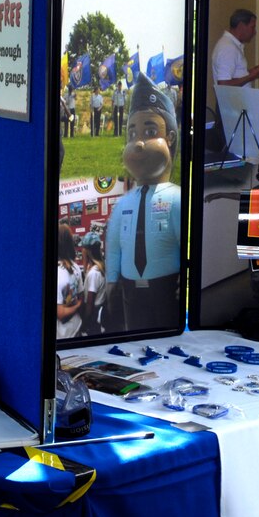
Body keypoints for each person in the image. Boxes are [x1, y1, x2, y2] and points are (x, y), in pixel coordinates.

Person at [105, 73, 181, 332]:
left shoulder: (175, 198)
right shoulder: (124, 203)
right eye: (132, 133)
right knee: (134, 336)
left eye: (150, 131)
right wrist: (111, 279)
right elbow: (115, 245)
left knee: (165, 336)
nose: (138, 142)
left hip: (165, 288)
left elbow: (184, 241)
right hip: (130, 291)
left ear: (170, 138)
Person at [212, 8, 259, 86]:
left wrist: (256, 72)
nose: (254, 32)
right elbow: (224, 85)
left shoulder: (230, 45)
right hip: (232, 98)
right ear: (241, 26)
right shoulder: (228, 48)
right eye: (252, 27)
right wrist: (252, 76)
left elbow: (236, 76)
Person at [56, 223, 84, 339]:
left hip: (63, 334)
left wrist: (78, 305)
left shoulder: (58, 273)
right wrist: (78, 305)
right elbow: (81, 296)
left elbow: (61, 314)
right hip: (76, 326)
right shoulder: (75, 266)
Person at [79, 231, 107, 336]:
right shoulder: (101, 267)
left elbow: (89, 304)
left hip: (94, 316)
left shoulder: (93, 274)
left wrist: (84, 323)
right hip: (100, 310)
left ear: (87, 251)